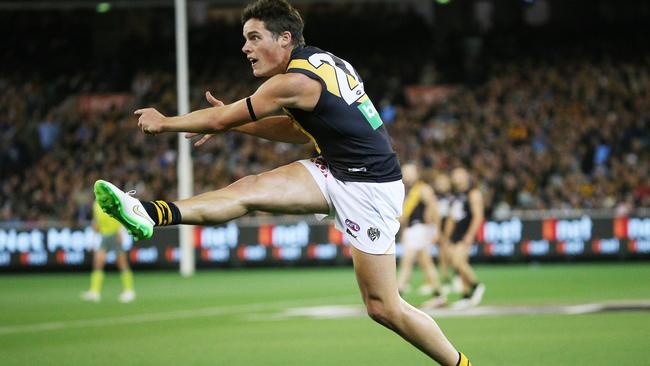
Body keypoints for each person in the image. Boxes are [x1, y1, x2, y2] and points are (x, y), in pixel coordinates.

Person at [94, 1, 472, 364]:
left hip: (370, 188)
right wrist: (233, 122)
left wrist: (166, 122)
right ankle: (147, 213)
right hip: (337, 168)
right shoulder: (319, 63)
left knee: (383, 308)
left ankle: (461, 364)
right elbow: (299, 131)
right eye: (245, 38)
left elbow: (218, 120)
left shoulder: (291, 82)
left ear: (285, 38)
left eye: (255, 37)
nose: (246, 48)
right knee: (248, 189)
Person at [396, 163, 446, 308]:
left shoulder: (422, 188)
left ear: (416, 173)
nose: (407, 175)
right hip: (414, 230)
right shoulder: (409, 190)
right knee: (426, 264)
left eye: (410, 172)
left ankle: (398, 295)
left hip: (420, 229)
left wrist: (435, 229)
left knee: (407, 262)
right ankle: (439, 296)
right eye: (405, 172)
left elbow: (434, 207)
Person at [444, 167, 485, 308]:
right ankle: (466, 295)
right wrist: (447, 238)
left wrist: (470, 235)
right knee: (458, 264)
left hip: (465, 233)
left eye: (459, 175)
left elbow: (478, 215)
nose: (456, 178)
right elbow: (452, 218)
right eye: (454, 175)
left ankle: (476, 285)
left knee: (458, 261)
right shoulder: (455, 195)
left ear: (466, 176)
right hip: (456, 234)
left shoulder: (473, 193)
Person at [81, 201, 136, 303]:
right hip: (104, 236)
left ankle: (129, 291)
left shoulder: (113, 200)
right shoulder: (96, 204)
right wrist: (94, 233)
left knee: (122, 263)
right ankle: (95, 292)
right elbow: (96, 221)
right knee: (98, 263)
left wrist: (121, 231)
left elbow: (121, 215)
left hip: (115, 234)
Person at [434, 173, 463, 296]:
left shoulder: (452, 198)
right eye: (438, 183)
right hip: (441, 230)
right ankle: (445, 281)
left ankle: (458, 278)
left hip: (452, 231)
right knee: (442, 257)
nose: (440, 185)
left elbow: (452, 218)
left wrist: (446, 235)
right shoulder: (437, 198)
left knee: (452, 256)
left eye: (443, 183)